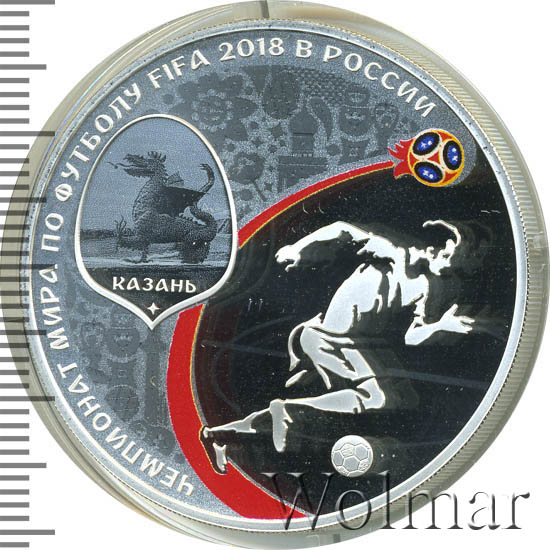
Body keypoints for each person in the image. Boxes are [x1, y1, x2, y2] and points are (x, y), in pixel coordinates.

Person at [201, 220, 475, 474]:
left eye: (458, 259)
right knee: (380, 397)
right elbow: (343, 229)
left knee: (402, 398)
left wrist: (440, 327)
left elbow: (412, 336)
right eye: (449, 255)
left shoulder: (430, 287)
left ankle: (220, 436)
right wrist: (299, 248)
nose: (453, 265)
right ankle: (287, 413)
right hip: (328, 337)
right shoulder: (393, 252)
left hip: (360, 343)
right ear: (430, 249)